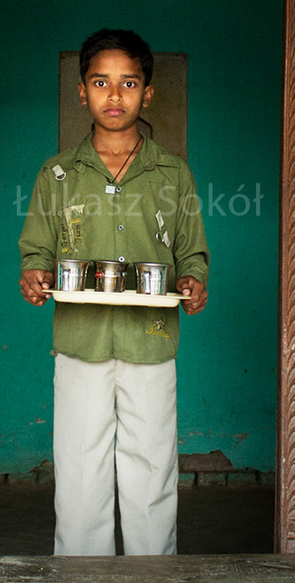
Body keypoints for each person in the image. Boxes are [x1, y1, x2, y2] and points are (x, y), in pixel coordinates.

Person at [18, 28, 209, 555]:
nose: (115, 95)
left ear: (148, 93)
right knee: (81, 469)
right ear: (82, 90)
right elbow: (37, 248)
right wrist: (34, 274)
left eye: (128, 83)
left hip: (151, 341)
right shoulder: (57, 175)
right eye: (101, 82)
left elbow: (192, 253)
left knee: (152, 469)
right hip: (81, 341)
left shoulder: (173, 174)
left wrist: (194, 284)